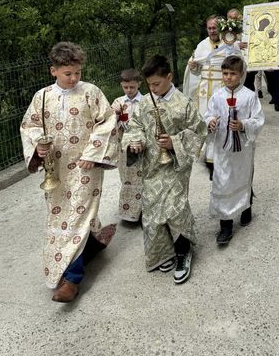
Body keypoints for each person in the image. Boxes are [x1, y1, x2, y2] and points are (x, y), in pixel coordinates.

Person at [20, 42, 119, 302]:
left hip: (86, 166)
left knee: (77, 214)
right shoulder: (41, 97)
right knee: (59, 218)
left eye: (77, 72)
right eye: (68, 73)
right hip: (56, 172)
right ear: (54, 70)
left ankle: (72, 279)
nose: (74, 78)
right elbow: (29, 126)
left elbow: (108, 121)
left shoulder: (91, 92)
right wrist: (37, 149)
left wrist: (93, 154)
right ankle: (92, 244)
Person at [123, 55, 206, 284]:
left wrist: (174, 143)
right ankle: (164, 251)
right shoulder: (145, 102)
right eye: (149, 85)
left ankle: (183, 252)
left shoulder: (184, 103)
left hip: (175, 166)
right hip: (151, 166)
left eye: (157, 84)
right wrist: (135, 141)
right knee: (152, 212)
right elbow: (135, 126)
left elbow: (199, 132)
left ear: (169, 77)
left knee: (175, 209)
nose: (152, 89)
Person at [204, 55, 264, 245]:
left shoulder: (249, 96)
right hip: (223, 148)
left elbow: (259, 119)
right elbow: (208, 114)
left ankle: (246, 207)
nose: (228, 77)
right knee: (222, 181)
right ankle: (226, 225)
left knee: (242, 177)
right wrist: (211, 122)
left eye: (232, 74)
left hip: (243, 150)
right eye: (225, 73)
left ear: (241, 74)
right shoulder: (217, 96)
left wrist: (244, 125)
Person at [183, 15, 238, 176]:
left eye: (215, 28)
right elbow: (195, 70)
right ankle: (210, 155)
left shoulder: (228, 43)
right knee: (206, 121)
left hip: (222, 88)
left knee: (224, 120)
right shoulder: (201, 46)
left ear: (220, 28)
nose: (212, 31)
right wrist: (192, 66)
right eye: (210, 28)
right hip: (205, 91)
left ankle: (225, 153)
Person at [111, 68, 143, 224]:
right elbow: (109, 124)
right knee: (127, 178)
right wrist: (115, 115)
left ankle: (143, 211)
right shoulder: (118, 102)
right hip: (123, 147)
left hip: (140, 146)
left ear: (139, 85)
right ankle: (128, 212)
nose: (129, 90)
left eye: (132, 87)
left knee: (142, 177)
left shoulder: (145, 102)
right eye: (125, 87)